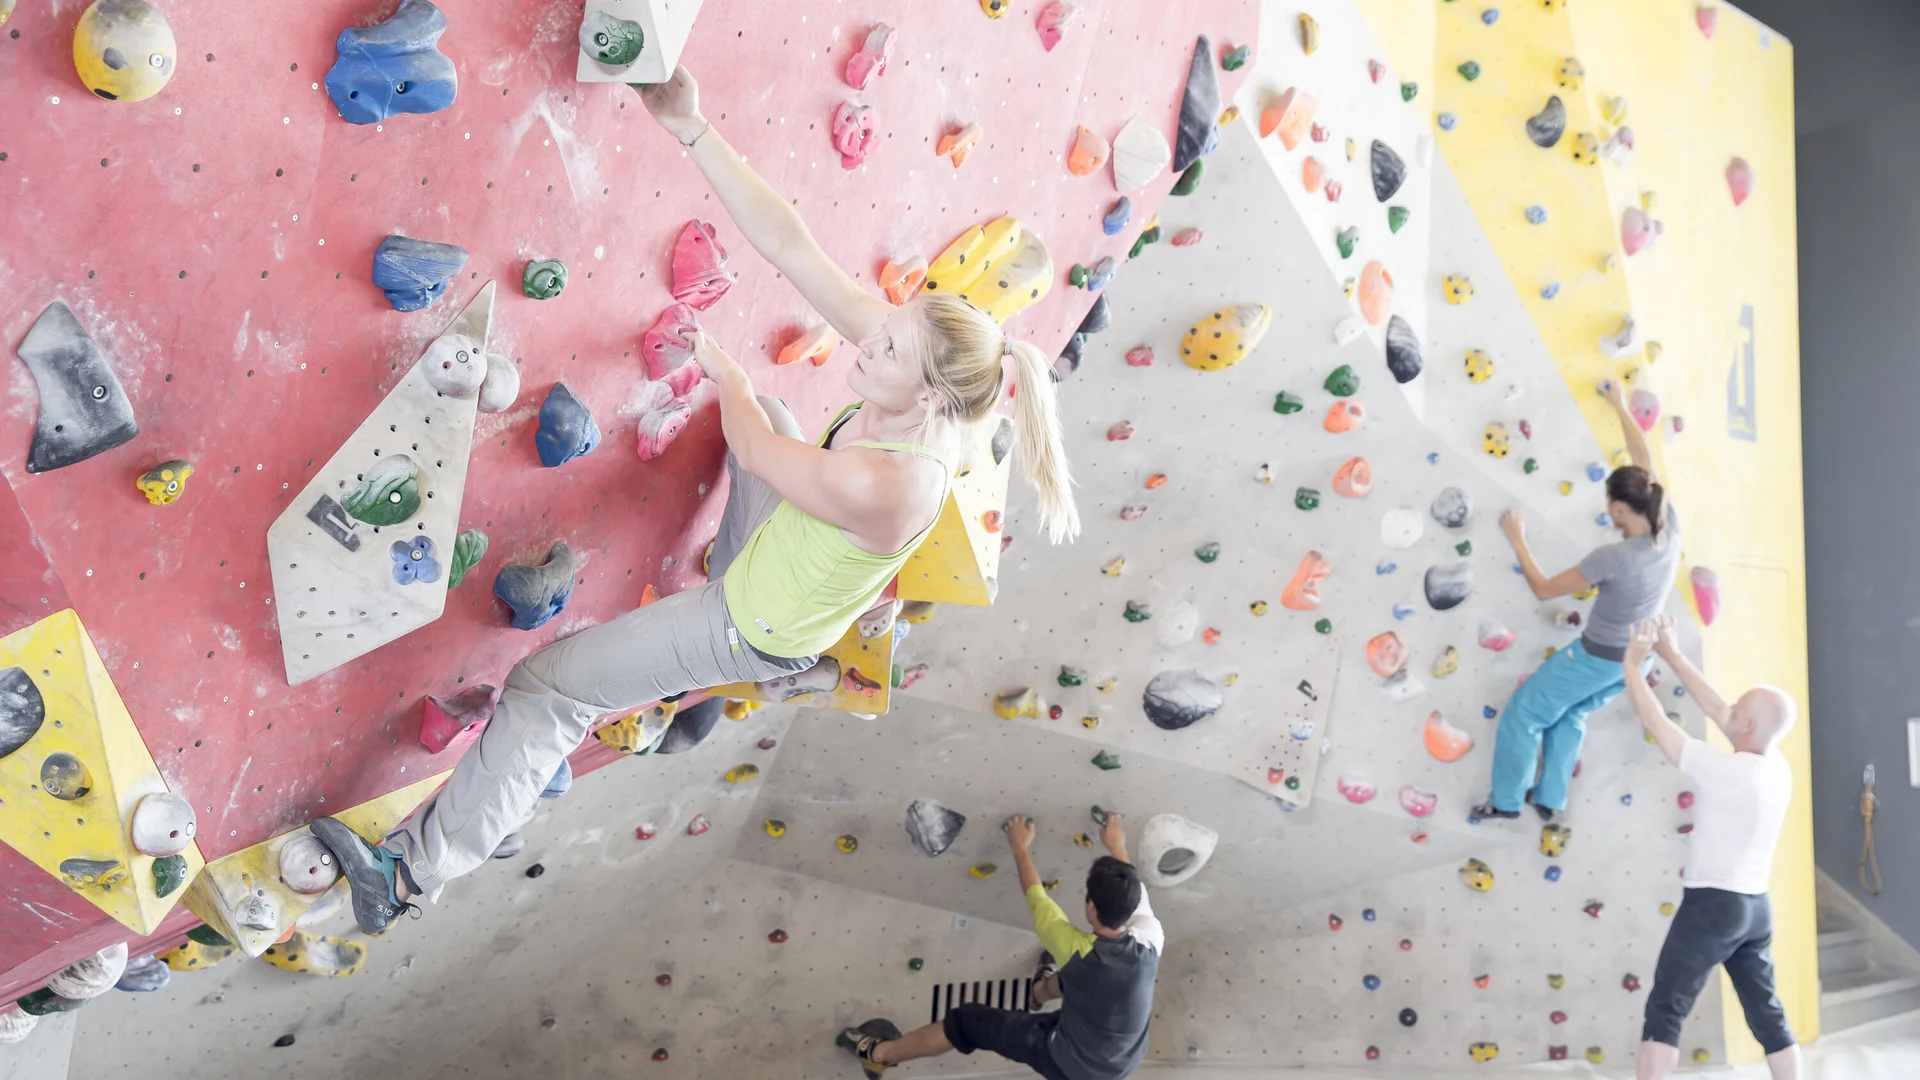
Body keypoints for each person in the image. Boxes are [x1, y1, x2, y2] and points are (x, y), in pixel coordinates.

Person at [310, 65, 1081, 933]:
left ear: (932, 398)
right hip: (781, 557)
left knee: (548, 690)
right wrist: (693, 126)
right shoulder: (925, 375)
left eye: (890, 350)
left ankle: (409, 877)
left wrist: (729, 373)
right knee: (787, 417)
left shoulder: (894, 482)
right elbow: (792, 246)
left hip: (743, 625)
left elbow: (756, 444)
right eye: (890, 328)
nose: (870, 341)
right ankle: (746, 585)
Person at [1471, 377, 1681, 824]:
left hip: (1597, 658)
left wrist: (1518, 538)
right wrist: (1619, 406)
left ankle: (1506, 801)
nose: (1608, 510)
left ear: (1623, 510)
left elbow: (1545, 588)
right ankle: (1550, 796)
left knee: (1524, 714)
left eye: (1610, 504)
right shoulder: (1669, 524)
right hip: (1635, 662)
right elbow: (1643, 459)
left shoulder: (1615, 556)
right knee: (1569, 714)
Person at [839, 813, 1163, 1079]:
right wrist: (1117, 845)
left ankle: (877, 1054)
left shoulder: (1076, 950)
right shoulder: (1150, 937)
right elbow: (1132, 888)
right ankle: (1037, 994)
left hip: (1073, 1064)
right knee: (1077, 979)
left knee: (966, 1022)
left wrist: (1019, 847)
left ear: (1090, 908)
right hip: (1121, 1054)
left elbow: (1037, 897)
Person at [1622, 616, 1800, 1080]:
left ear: (1748, 722)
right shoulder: (1777, 767)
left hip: (1712, 908)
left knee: (1665, 1012)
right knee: (1767, 1014)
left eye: (1739, 706)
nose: (1729, 707)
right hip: (1756, 908)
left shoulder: (1724, 771)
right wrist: (1673, 654)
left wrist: (1633, 665)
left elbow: (1655, 720)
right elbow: (1724, 712)